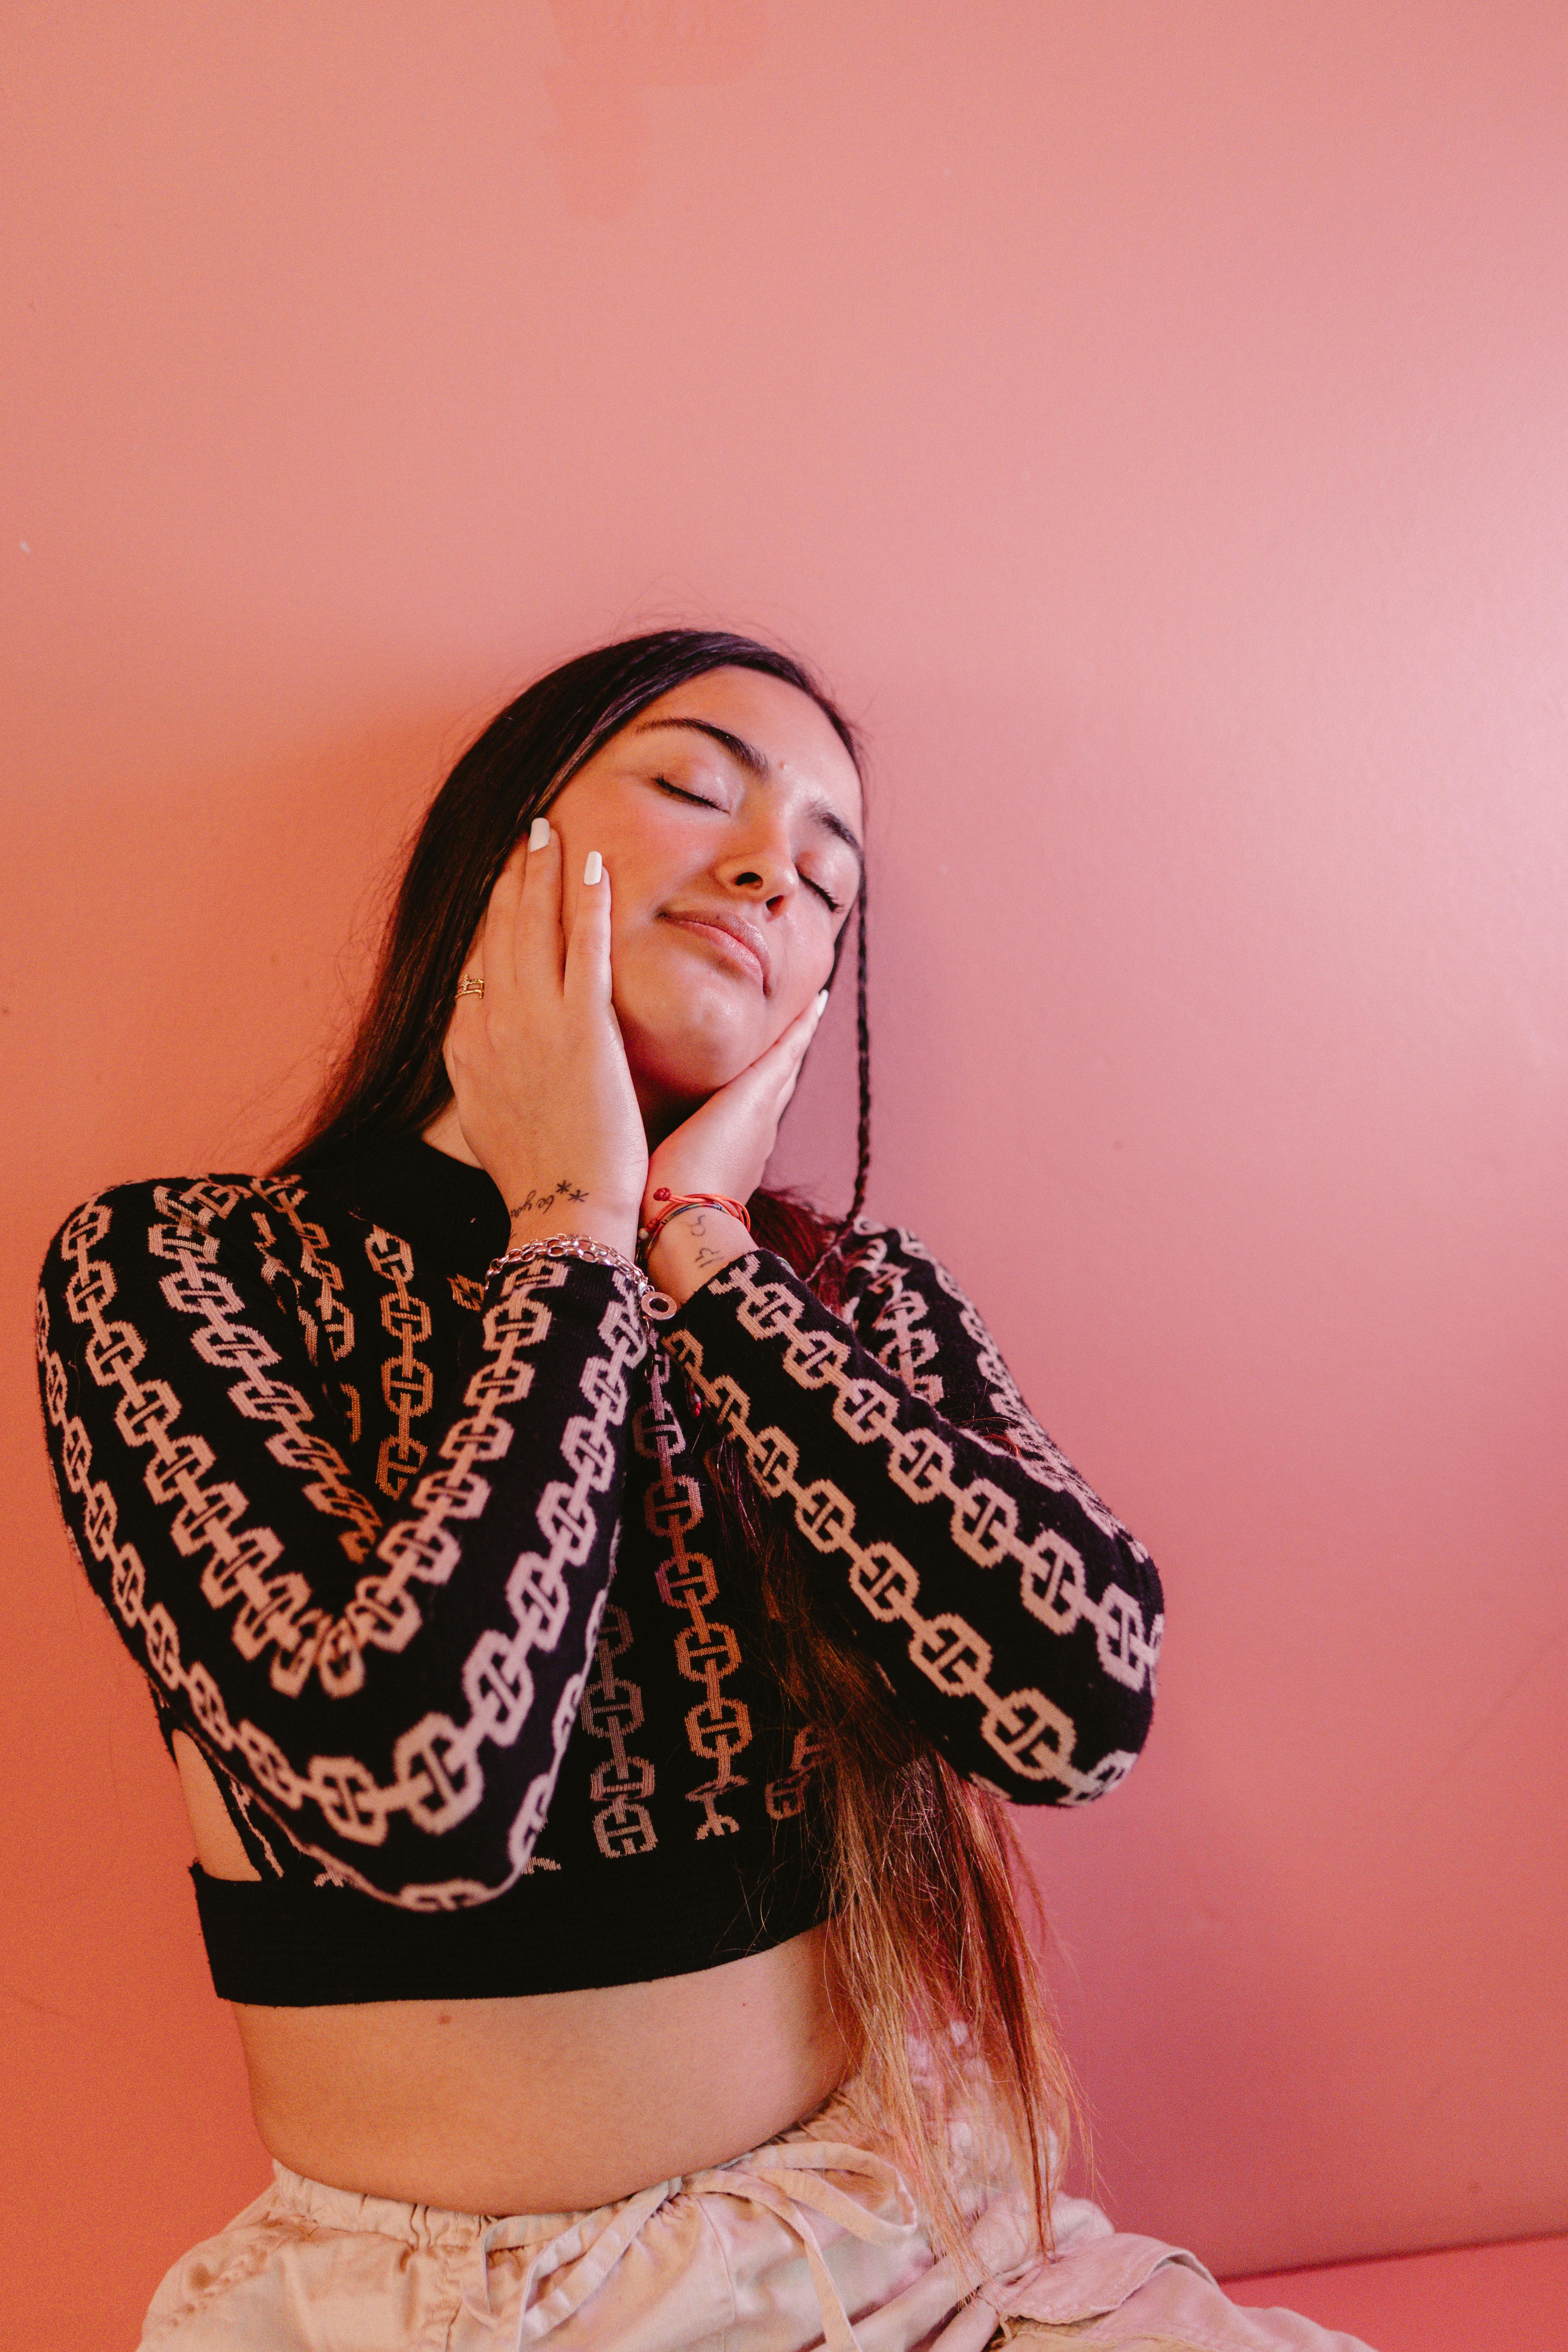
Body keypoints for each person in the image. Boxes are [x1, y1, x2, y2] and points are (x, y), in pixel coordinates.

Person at [37, 631, 1372, 2350]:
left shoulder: (847, 1304)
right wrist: (568, 1235)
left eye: (830, 878)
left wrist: (706, 1266)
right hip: (448, 2312)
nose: (771, 871)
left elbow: (1076, 1709)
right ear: (502, 852)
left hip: (925, 2258)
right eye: (691, 787)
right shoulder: (175, 1271)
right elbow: (414, 1795)